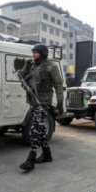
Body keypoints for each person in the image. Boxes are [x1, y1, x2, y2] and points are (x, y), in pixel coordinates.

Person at [19, 43, 64, 172]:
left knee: (34, 130)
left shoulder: (51, 67)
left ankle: (31, 159)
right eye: (33, 52)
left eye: (36, 52)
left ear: (42, 54)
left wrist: (60, 103)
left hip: (43, 104)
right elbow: (21, 78)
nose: (34, 54)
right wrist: (26, 67)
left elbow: (59, 85)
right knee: (41, 130)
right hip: (33, 103)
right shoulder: (32, 67)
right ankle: (47, 155)